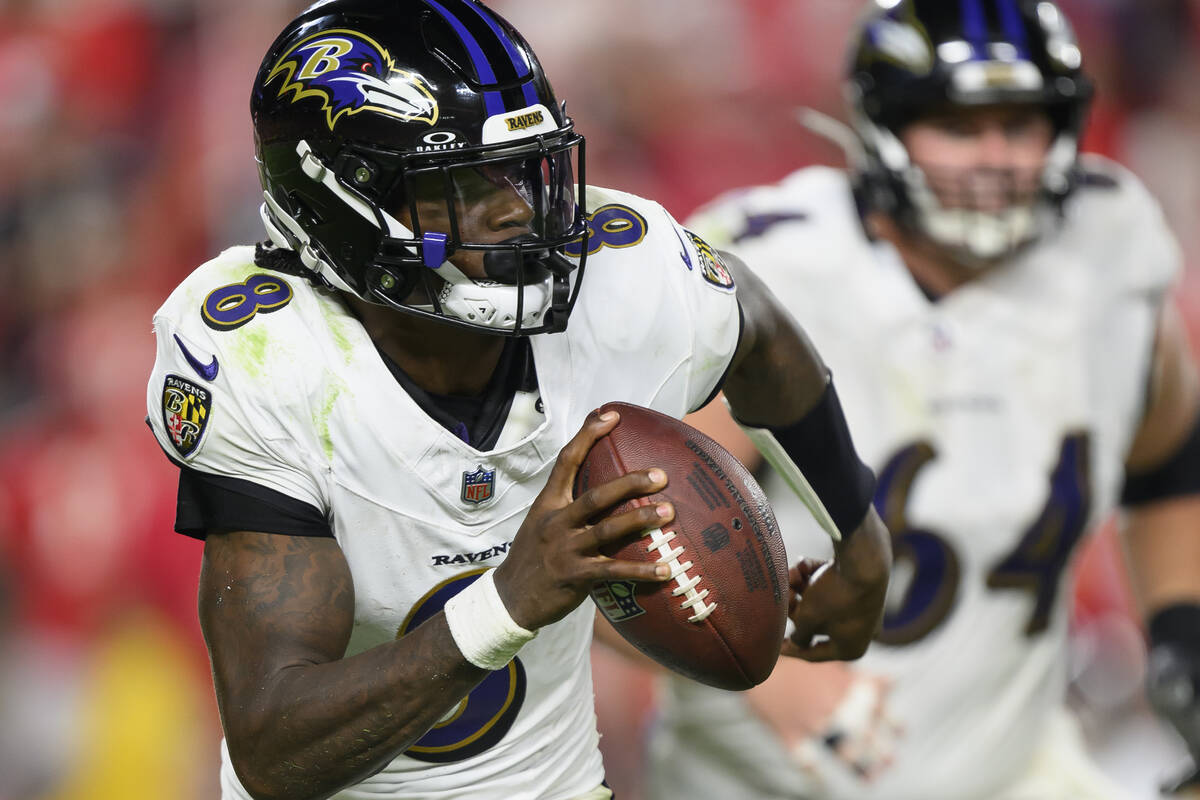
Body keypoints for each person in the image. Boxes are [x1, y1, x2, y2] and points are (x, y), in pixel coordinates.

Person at [143, 1, 892, 798]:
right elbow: (273, 750)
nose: (516, 208)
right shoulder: (271, 359)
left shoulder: (623, 276)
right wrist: (507, 601)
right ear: (340, 204)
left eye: (519, 168)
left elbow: (757, 326)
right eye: (456, 184)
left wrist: (859, 534)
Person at [644, 1, 1200, 799]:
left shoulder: (1107, 249)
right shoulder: (779, 270)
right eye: (962, 127)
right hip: (770, 781)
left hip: (1009, 768)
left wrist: (1182, 639)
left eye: (1023, 125)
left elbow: (1172, 459)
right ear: (884, 128)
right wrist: (770, 679)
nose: (997, 159)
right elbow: (620, 545)